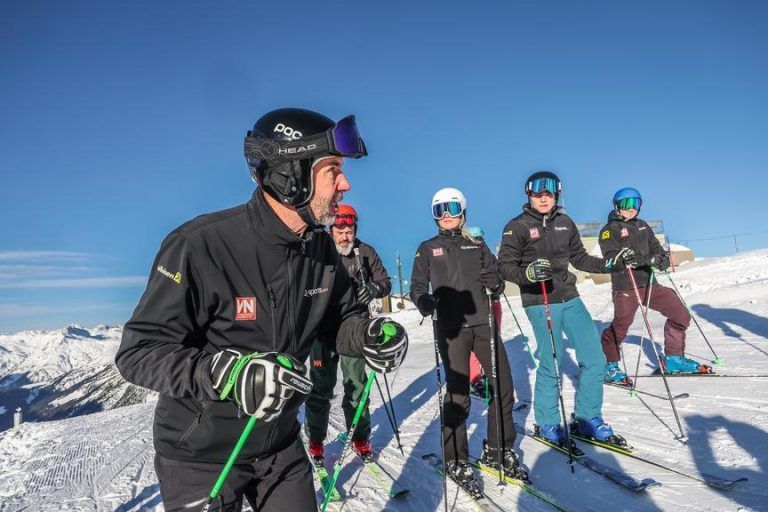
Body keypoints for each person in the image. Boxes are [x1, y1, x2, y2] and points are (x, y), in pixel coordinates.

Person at [115, 108, 408, 512]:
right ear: (291, 176)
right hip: (202, 456)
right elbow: (139, 351)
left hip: (280, 444)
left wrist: (369, 336)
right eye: (332, 170)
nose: (345, 183)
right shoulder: (199, 245)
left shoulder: (321, 250)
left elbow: (339, 320)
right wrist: (229, 373)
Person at [497, 171, 634, 446]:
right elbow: (504, 266)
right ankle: (547, 422)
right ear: (528, 194)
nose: (543, 198)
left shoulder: (565, 223)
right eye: (537, 193)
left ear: (557, 194)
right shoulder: (518, 226)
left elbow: (580, 258)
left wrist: (608, 265)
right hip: (540, 300)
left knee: (594, 358)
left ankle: (588, 418)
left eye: (548, 193)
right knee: (552, 359)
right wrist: (528, 274)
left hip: (569, 296)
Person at [410, 187, 525, 491]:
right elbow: (418, 287)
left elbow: (496, 279)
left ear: (463, 210)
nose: (446, 215)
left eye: (451, 208)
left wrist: (496, 283)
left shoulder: (477, 244)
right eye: (439, 210)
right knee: (458, 395)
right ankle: (456, 459)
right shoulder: (427, 248)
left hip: (483, 324)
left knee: (503, 388)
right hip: (451, 329)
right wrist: (424, 302)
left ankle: (498, 449)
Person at [304, 204, 392, 463]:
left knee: (356, 384)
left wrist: (374, 290)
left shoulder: (364, 252)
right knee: (321, 386)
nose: (345, 235)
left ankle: (359, 437)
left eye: (349, 230)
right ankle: (316, 438)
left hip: (354, 327)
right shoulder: (319, 252)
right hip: (322, 329)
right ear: (331, 230)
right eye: (339, 230)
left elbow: (385, 282)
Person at [599, 187, 707, 379]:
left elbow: (657, 250)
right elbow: (611, 257)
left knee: (680, 313)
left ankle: (673, 359)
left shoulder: (642, 226)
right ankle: (609, 365)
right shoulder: (609, 231)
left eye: (636, 203)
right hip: (626, 286)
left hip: (649, 284)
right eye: (626, 204)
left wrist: (661, 259)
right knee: (621, 325)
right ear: (617, 206)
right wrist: (634, 259)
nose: (632, 208)